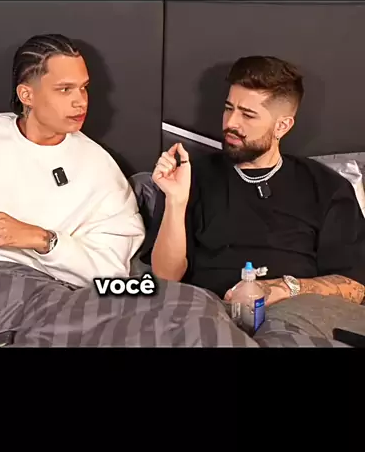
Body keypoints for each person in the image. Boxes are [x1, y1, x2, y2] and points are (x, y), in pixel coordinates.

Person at [0, 33, 255, 348]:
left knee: (189, 304)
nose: (81, 101)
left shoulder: (98, 169)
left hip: (45, 293)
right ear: (27, 94)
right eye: (65, 90)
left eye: (84, 88)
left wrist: (43, 239)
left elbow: (111, 272)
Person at [146, 56, 365, 340]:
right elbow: (166, 277)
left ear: (282, 126)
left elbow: (354, 286)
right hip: (206, 313)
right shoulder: (192, 176)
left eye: (247, 115)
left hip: (295, 315)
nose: (231, 123)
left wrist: (283, 288)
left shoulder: (326, 187)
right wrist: (175, 201)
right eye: (229, 108)